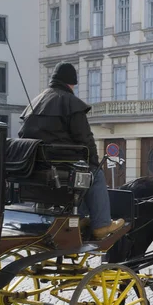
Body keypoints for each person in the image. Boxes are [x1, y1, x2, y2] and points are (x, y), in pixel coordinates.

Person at [18, 62, 124, 240]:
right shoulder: (70, 102)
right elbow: (85, 138)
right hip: (61, 165)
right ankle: (102, 224)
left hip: (35, 166)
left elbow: (23, 134)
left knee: (82, 176)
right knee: (94, 175)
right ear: (71, 83)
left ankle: (80, 218)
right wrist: (94, 163)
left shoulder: (36, 102)